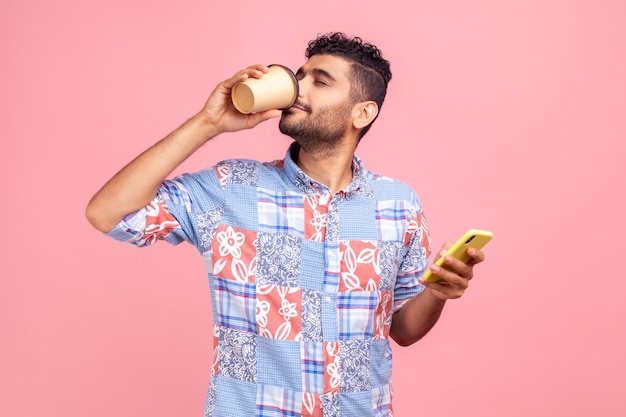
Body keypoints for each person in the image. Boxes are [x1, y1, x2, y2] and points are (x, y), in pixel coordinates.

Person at [86, 32, 485, 417]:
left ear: (362, 113)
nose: (297, 87)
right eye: (300, 75)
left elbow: (403, 329)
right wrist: (208, 122)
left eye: (319, 81)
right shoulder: (230, 188)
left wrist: (437, 293)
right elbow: (108, 214)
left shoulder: (398, 204)